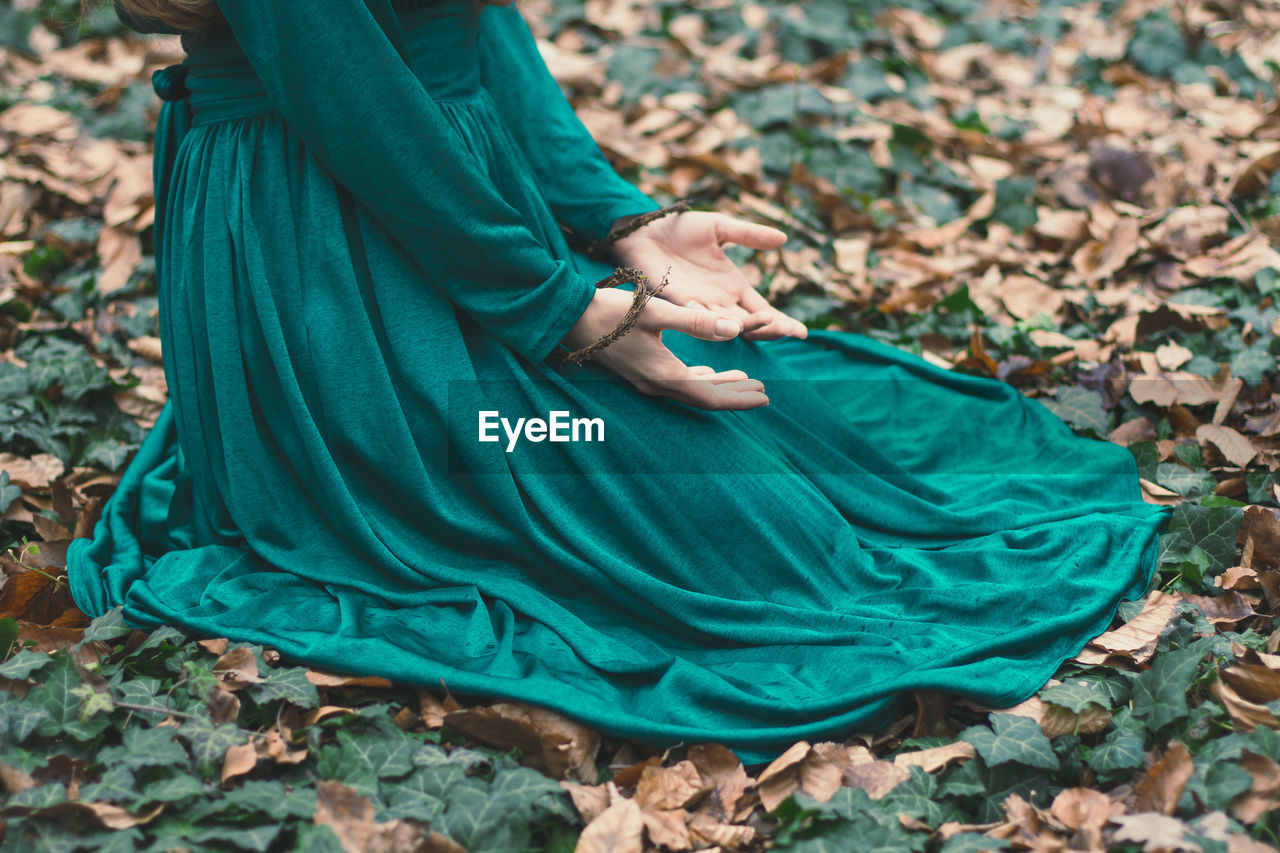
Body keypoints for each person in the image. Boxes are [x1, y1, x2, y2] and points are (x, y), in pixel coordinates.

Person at [68, 0, 1173, 765]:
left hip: (462, 206)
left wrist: (617, 219)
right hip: (321, 249)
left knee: (800, 486)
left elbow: (470, 32)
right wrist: (556, 309)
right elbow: (354, 100)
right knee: (719, 539)